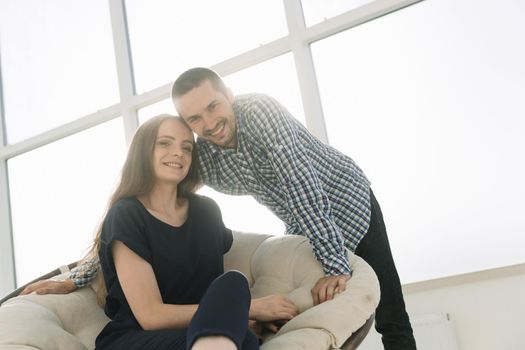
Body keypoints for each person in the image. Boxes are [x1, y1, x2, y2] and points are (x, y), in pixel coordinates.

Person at [23, 68, 416, 349]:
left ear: (228, 94)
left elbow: (303, 186)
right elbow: (144, 207)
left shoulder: (260, 113)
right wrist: (78, 276)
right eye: (195, 119)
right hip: (303, 221)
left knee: (391, 314)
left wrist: (334, 264)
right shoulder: (201, 156)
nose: (209, 123)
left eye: (213, 107)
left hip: (347, 200)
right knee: (248, 303)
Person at [52, 115, 298, 350]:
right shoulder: (126, 214)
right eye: (164, 143)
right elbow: (151, 316)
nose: (178, 152)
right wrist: (249, 309)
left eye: (187, 147)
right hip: (138, 339)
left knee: (234, 283)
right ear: (143, 152)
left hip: (196, 333)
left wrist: (230, 316)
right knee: (242, 340)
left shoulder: (207, 211)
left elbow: (215, 293)